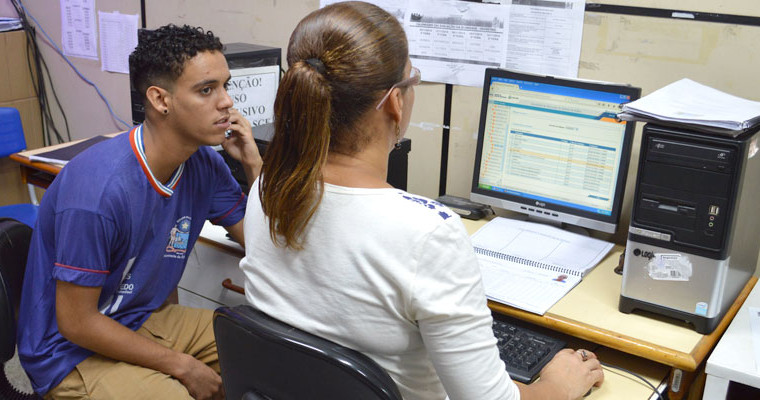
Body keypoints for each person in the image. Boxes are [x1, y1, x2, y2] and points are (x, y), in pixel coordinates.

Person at [239, 2, 603, 400]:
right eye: (413, 79)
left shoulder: (267, 190)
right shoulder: (427, 233)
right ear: (395, 101)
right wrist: (559, 386)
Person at [17, 24, 261, 399]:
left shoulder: (204, 166)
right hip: (68, 352)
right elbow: (77, 323)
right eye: (207, 90)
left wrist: (254, 165)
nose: (227, 102)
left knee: (265, 355)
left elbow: (261, 247)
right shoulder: (99, 190)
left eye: (225, 86)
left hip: (139, 316)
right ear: (161, 100)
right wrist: (181, 365)